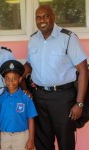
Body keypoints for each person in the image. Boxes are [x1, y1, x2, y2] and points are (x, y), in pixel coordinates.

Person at [22, 5, 88, 150]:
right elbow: (29, 64)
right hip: (38, 96)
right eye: (38, 17)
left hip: (62, 98)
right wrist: (19, 76)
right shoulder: (33, 39)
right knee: (42, 142)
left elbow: (83, 70)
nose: (42, 20)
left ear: (53, 16)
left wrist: (80, 103)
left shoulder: (68, 38)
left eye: (46, 16)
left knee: (66, 141)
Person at [0, 60, 38, 150]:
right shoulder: (1, 99)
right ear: (4, 80)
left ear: (20, 79)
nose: (10, 81)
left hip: (22, 136)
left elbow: (31, 119)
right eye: (7, 78)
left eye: (14, 78)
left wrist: (31, 139)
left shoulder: (26, 98)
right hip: (4, 135)